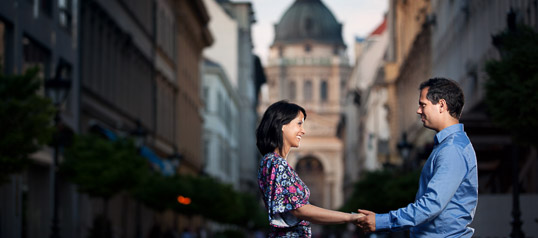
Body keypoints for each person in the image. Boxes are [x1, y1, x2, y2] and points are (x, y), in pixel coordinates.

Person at [357, 77, 478, 237]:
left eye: (423, 105)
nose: (418, 110)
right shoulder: (447, 146)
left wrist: (381, 221)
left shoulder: (452, 149)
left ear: (441, 105)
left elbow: (430, 205)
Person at [256, 100, 363, 237]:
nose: (303, 130)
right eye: (299, 124)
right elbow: (299, 209)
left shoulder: (271, 161)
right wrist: (350, 217)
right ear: (282, 125)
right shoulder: (276, 163)